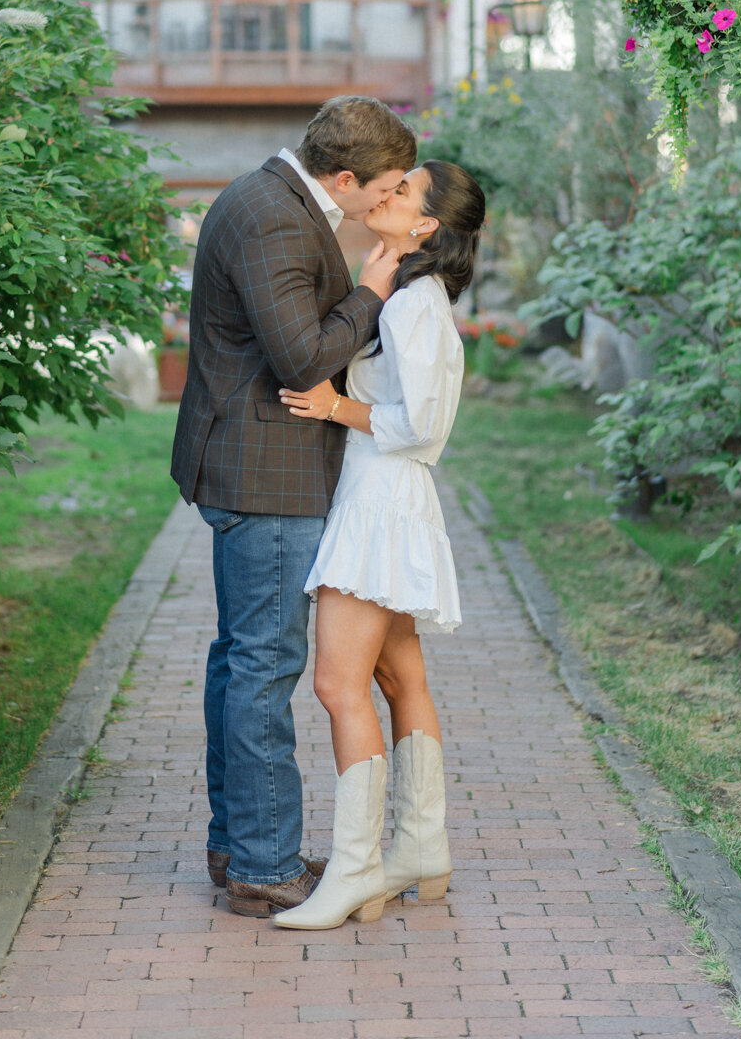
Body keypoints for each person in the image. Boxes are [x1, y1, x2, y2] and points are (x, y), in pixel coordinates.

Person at [172, 96, 417, 917]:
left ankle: (237, 841)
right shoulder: (273, 216)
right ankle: (264, 863)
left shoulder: (265, 197)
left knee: (238, 659)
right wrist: (377, 282)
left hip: (253, 467)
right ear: (342, 177)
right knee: (262, 667)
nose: (384, 202)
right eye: (380, 189)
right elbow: (305, 357)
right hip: (265, 474)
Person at [272, 160, 486, 931]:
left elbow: (422, 427)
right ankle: (420, 849)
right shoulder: (409, 295)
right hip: (384, 500)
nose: (385, 195)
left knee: (336, 685)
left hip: (380, 501)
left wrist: (334, 407)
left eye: (403, 193)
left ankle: (356, 871)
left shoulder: (413, 308)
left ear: (425, 226)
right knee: (398, 682)